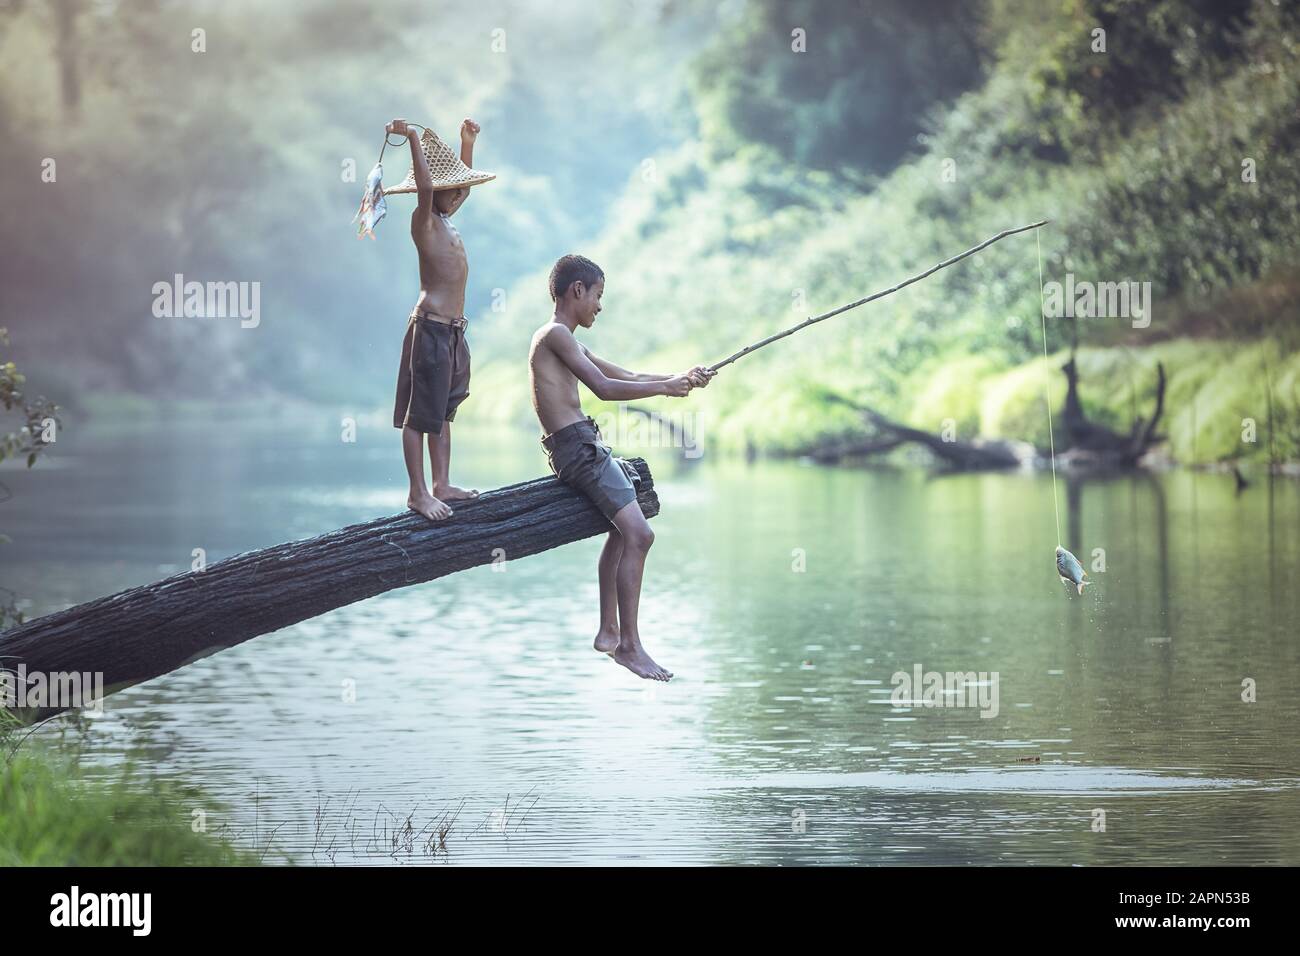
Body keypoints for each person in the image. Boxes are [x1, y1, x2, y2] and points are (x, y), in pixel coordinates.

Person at [528, 254, 715, 681]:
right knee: (640, 534)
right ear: (578, 290)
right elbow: (606, 388)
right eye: (597, 295)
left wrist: (678, 377)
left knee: (624, 528)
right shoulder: (555, 335)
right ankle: (629, 644)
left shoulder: (566, 339)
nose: (599, 305)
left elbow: (625, 373)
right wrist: (665, 390)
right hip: (578, 450)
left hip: (582, 446)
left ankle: (609, 631)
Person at [386, 117, 495, 520]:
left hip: (452, 331)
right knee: (418, 413)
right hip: (429, 328)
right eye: (451, 190)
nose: (458, 195)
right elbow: (431, 188)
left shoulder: (447, 218)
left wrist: (467, 144)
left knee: (443, 411)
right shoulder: (426, 221)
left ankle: (442, 483)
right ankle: (417, 492)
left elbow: (459, 184)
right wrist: (412, 136)